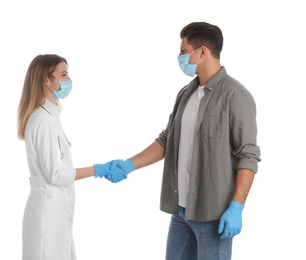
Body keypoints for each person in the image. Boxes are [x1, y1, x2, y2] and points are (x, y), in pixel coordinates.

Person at [103, 22, 261, 259]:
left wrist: (237, 206)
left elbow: (248, 155)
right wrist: (129, 164)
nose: (179, 57)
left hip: (213, 214)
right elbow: (167, 140)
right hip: (181, 212)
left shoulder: (236, 96)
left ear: (203, 52)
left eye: (183, 51)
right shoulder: (186, 93)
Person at [17, 54, 121, 260]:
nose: (69, 80)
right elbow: (56, 174)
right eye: (63, 75)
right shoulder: (43, 120)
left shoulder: (50, 117)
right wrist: (99, 169)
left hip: (55, 214)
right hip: (48, 213)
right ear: (47, 80)